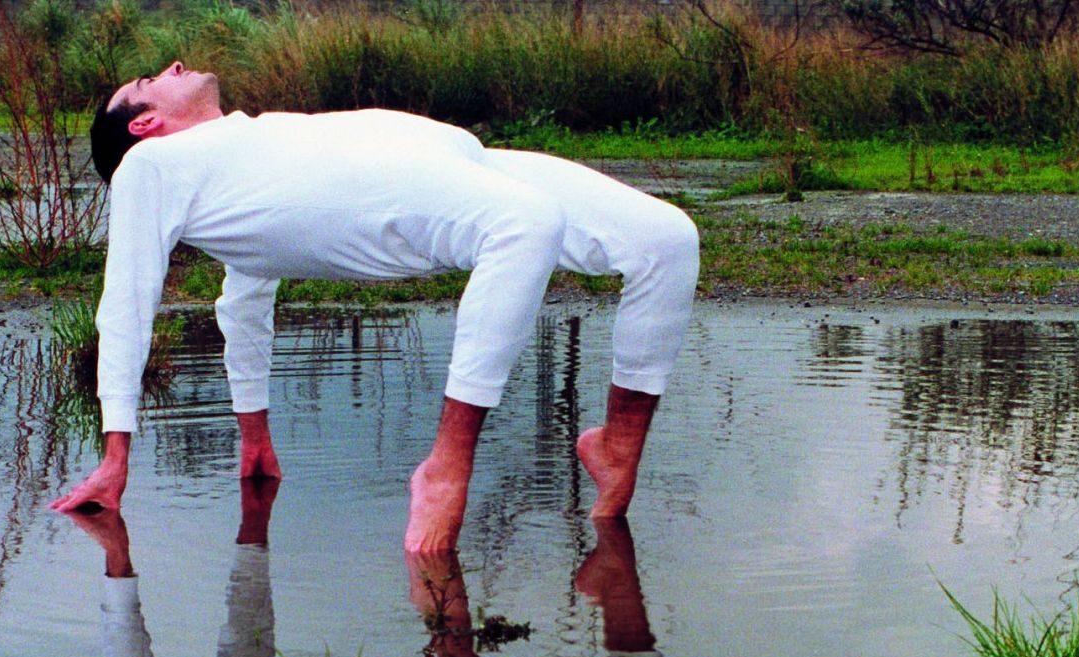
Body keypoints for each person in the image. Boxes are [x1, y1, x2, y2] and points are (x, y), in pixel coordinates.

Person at [49, 62, 700, 551]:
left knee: (666, 240)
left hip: (466, 162)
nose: (173, 67)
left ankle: (616, 447)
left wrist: (253, 434)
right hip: (430, 195)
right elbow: (126, 303)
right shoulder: (152, 167)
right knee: (526, 222)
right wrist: (115, 454)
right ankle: (444, 470)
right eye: (151, 79)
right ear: (144, 124)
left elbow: (243, 299)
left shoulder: (248, 159)